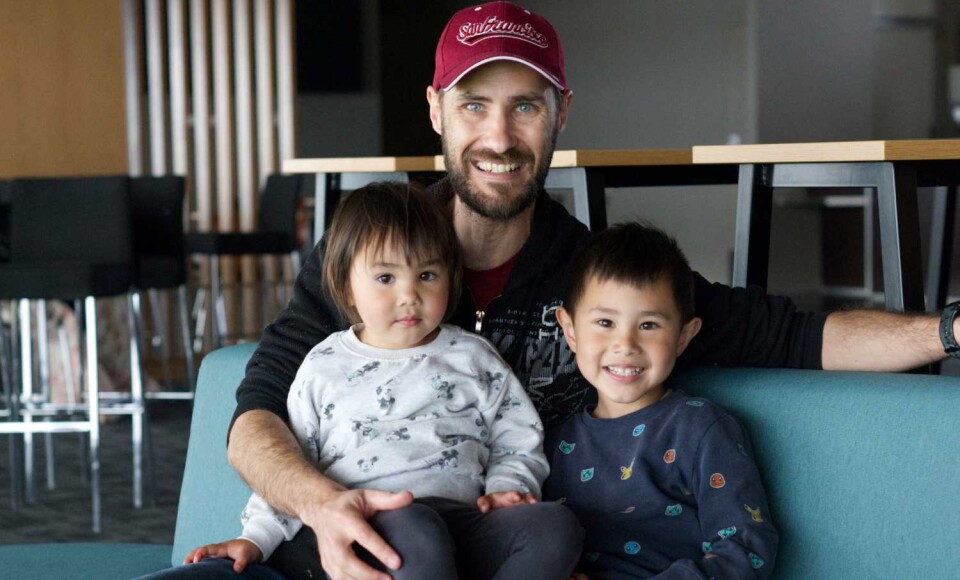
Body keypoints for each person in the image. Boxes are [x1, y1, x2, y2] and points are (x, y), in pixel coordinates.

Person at [224, 2, 960, 579]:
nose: (500, 137)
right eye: (475, 104)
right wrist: (323, 509)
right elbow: (255, 414)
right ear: (436, 110)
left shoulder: (596, 281)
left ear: (562, 114)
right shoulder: (367, 260)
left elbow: (791, 336)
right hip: (331, 548)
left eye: (527, 106)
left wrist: (949, 331)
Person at [162, 182, 583, 579]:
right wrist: (255, 539)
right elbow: (297, 455)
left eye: (427, 275)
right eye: (385, 278)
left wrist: (507, 491)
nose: (408, 295)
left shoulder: (474, 356)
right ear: (346, 288)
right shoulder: (323, 364)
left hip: (465, 521)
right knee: (417, 528)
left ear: (450, 278)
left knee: (555, 526)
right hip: (369, 523)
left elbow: (516, 438)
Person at [545, 222, 778, 579]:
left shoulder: (700, 429)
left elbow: (746, 546)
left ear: (684, 336)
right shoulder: (553, 441)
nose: (626, 345)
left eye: (649, 325)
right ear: (570, 329)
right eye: (605, 322)